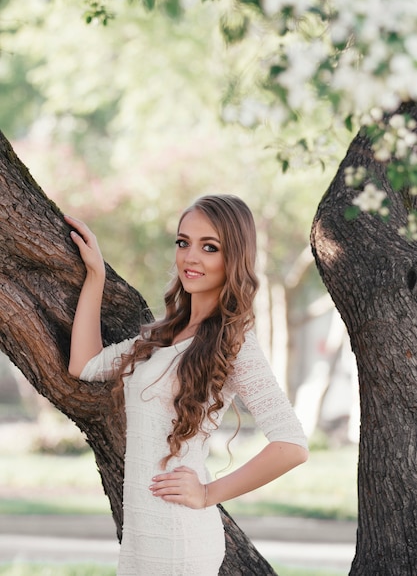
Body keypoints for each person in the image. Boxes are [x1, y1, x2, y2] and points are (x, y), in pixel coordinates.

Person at [65, 194, 308, 576]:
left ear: (234, 258)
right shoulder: (162, 336)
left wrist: (209, 493)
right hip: (142, 533)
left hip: (180, 539)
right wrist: (96, 274)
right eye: (183, 242)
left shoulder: (235, 343)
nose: (190, 257)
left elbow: (292, 446)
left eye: (209, 247)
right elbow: (85, 365)